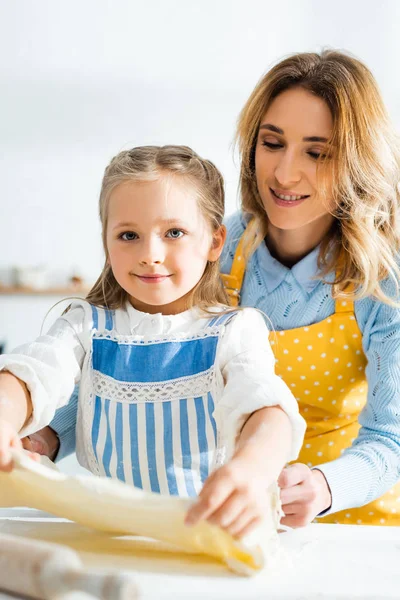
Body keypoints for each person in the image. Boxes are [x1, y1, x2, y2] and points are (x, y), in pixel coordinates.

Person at [24, 49, 400, 528]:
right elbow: (132, 359)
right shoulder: (216, 244)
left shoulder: (383, 275)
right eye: (272, 143)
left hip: (353, 524)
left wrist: (326, 487)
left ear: (354, 159)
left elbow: (391, 439)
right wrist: (50, 435)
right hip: (227, 516)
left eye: (316, 152)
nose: (284, 174)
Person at [0, 145, 305, 538]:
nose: (150, 254)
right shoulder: (85, 326)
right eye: (129, 235)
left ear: (215, 242)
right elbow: (31, 374)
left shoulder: (235, 331)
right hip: (110, 535)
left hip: (208, 533)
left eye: (174, 233)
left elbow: (267, 411)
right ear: (106, 243)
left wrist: (249, 472)